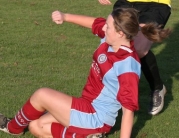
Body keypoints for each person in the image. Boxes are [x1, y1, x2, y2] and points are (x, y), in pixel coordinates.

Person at [0, 7, 170, 138]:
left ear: (120, 33)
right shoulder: (110, 37)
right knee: (36, 126)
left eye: (108, 26)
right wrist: (65, 16)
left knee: (42, 95)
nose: (103, 27)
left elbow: (128, 111)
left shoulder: (127, 66)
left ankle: (12, 128)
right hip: (86, 105)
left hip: (97, 117)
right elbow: (94, 22)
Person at [98, 0, 171, 115]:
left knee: (140, 47)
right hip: (126, 2)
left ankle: (157, 87)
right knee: (113, 42)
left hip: (156, 4)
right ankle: (106, 99)